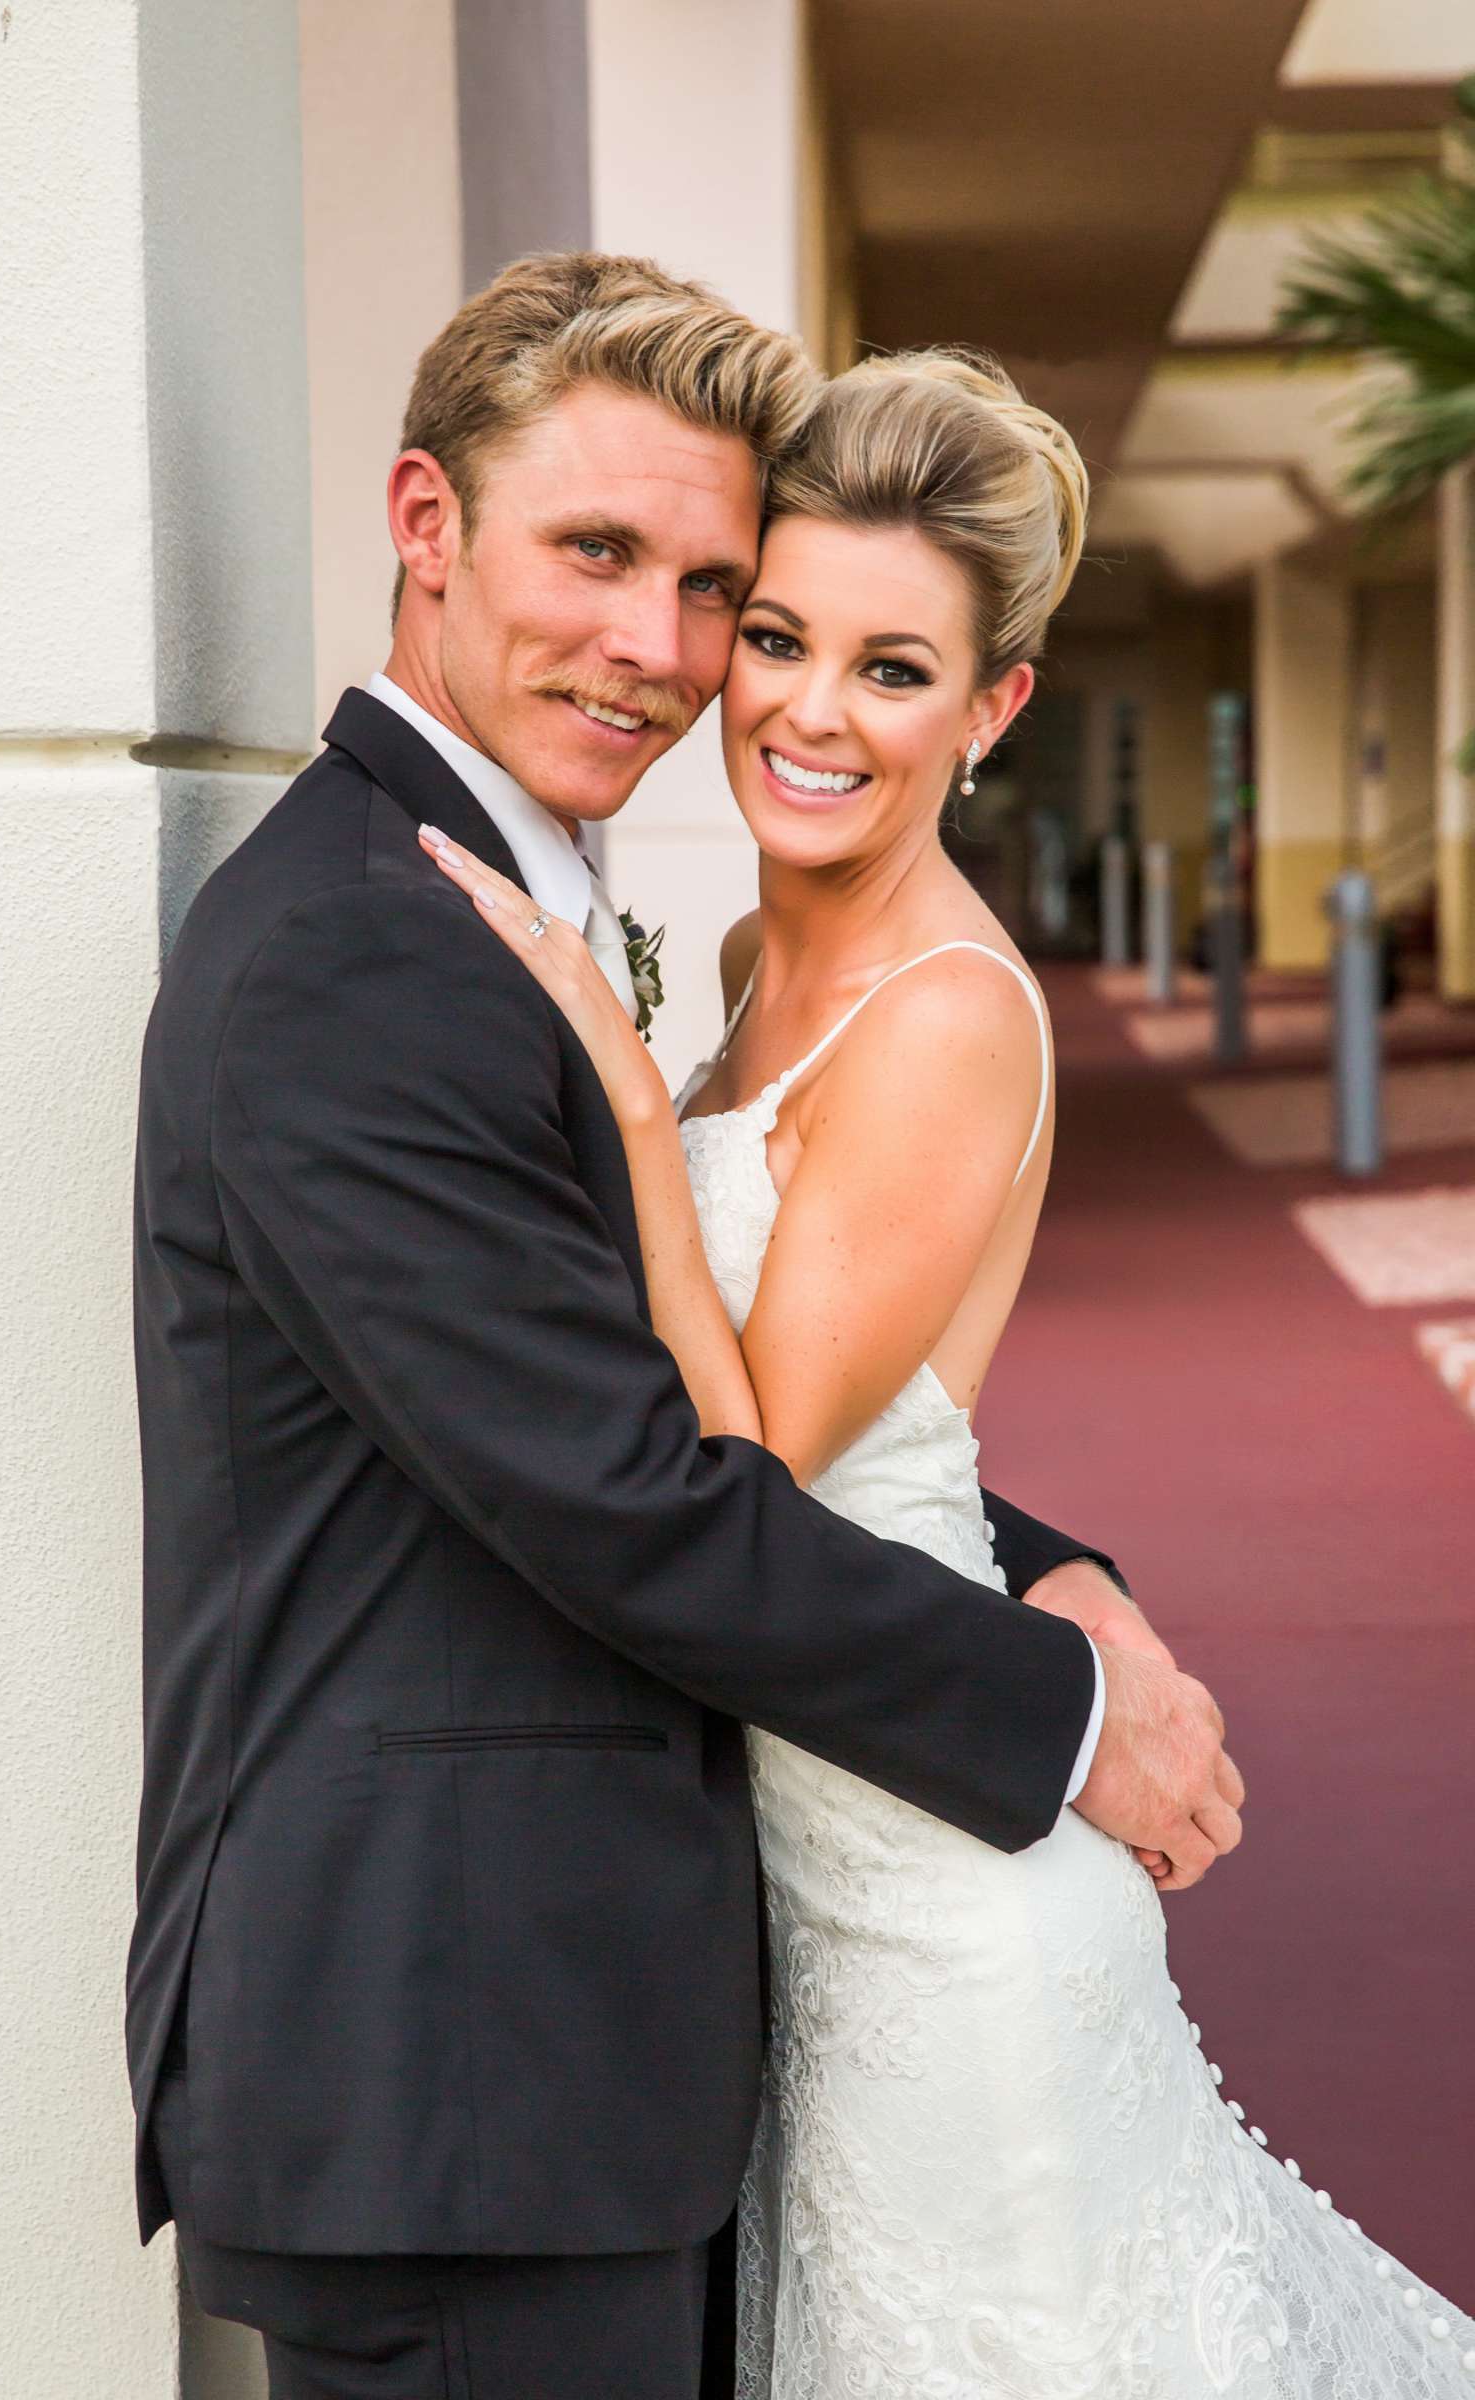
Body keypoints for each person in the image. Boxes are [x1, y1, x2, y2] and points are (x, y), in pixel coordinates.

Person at [128, 254, 1240, 2400]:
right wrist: (1062, 1707)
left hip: (570, 2051)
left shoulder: (530, 902)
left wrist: (1047, 1561)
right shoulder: (363, 956)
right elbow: (633, 1494)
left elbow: (664, 1396)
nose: (655, 650)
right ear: (424, 524)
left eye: (703, 583)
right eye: (592, 552)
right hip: (451, 2068)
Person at [429, 345, 1475, 2394]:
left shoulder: (940, 1019)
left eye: (892, 670)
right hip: (816, 1887)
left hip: (944, 1911)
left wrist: (628, 1114)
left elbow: (733, 1472)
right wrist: (1055, 1573)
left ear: (991, 706)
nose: (808, 712)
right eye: (781, 637)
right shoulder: (748, 959)